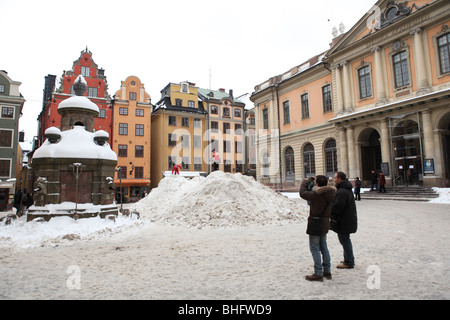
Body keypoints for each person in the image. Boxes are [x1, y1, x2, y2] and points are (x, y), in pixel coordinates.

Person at [300, 175, 337, 282]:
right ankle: (327, 270)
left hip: (315, 222)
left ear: (317, 183)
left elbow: (302, 193)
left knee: (315, 248)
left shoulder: (317, 195)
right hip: (325, 222)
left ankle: (318, 273)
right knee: (324, 246)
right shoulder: (331, 193)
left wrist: (305, 182)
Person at [331, 171, 358, 269]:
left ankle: (349, 262)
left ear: (339, 179)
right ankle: (348, 258)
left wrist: (330, 209)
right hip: (347, 219)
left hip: (344, 220)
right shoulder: (345, 189)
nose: (334, 180)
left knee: (345, 240)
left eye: (335, 178)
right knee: (345, 240)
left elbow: (337, 207)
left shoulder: (342, 191)